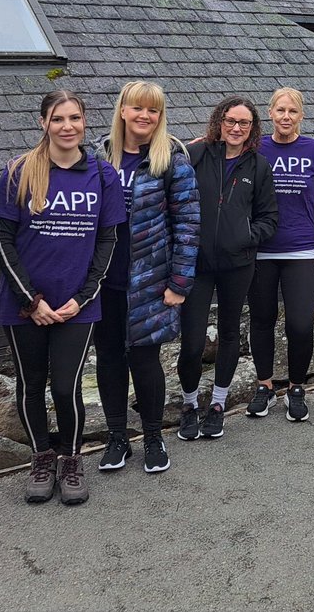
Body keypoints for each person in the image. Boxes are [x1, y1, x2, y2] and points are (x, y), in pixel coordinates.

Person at [0, 90, 127, 503]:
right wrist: (30, 299)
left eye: (74, 118)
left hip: (76, 306)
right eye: (57, 119)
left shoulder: (103, 176)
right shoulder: (20, 171)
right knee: (31, 385)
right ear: (43, 123)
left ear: (85, 121)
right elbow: (1, 237)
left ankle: (70, 458)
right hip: (24, 303)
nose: (67, 126)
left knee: (66, 387)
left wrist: (83, 297)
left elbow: (108, 239)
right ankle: (41, 456)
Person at [94, 81, 199, 474]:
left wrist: (179, 283)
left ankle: (153, 437)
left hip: (151, 280)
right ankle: (117, 437)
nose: (144, 116)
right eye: (137, 108)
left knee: (145, 359)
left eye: (152, 110)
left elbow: (188, 223)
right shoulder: (99, 156)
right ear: (122, 110)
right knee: (108, 359)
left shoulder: (172, 158)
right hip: (103, 281)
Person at [178, 96, 277, 440]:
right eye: (231, 121)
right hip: (197, 264)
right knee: (191, 341)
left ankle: (218, 404)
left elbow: (270, 218)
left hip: (238, 264)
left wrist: (247, 235)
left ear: (252, 128)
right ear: (219, 122)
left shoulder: (259, 166)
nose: (236, 129)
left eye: (244, 123)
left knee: (230, 333)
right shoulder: (195, 156)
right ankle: (189, 405)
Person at [247, 88, 314, 423]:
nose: (286, 116)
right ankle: (265, 385)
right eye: (280, 110)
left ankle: (296, 387)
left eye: (292, 111)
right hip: (261, 250)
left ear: (301, 115)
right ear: (270, 113)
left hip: (302, 249)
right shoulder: (257, 148)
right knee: (262, 320)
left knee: (300, 324)